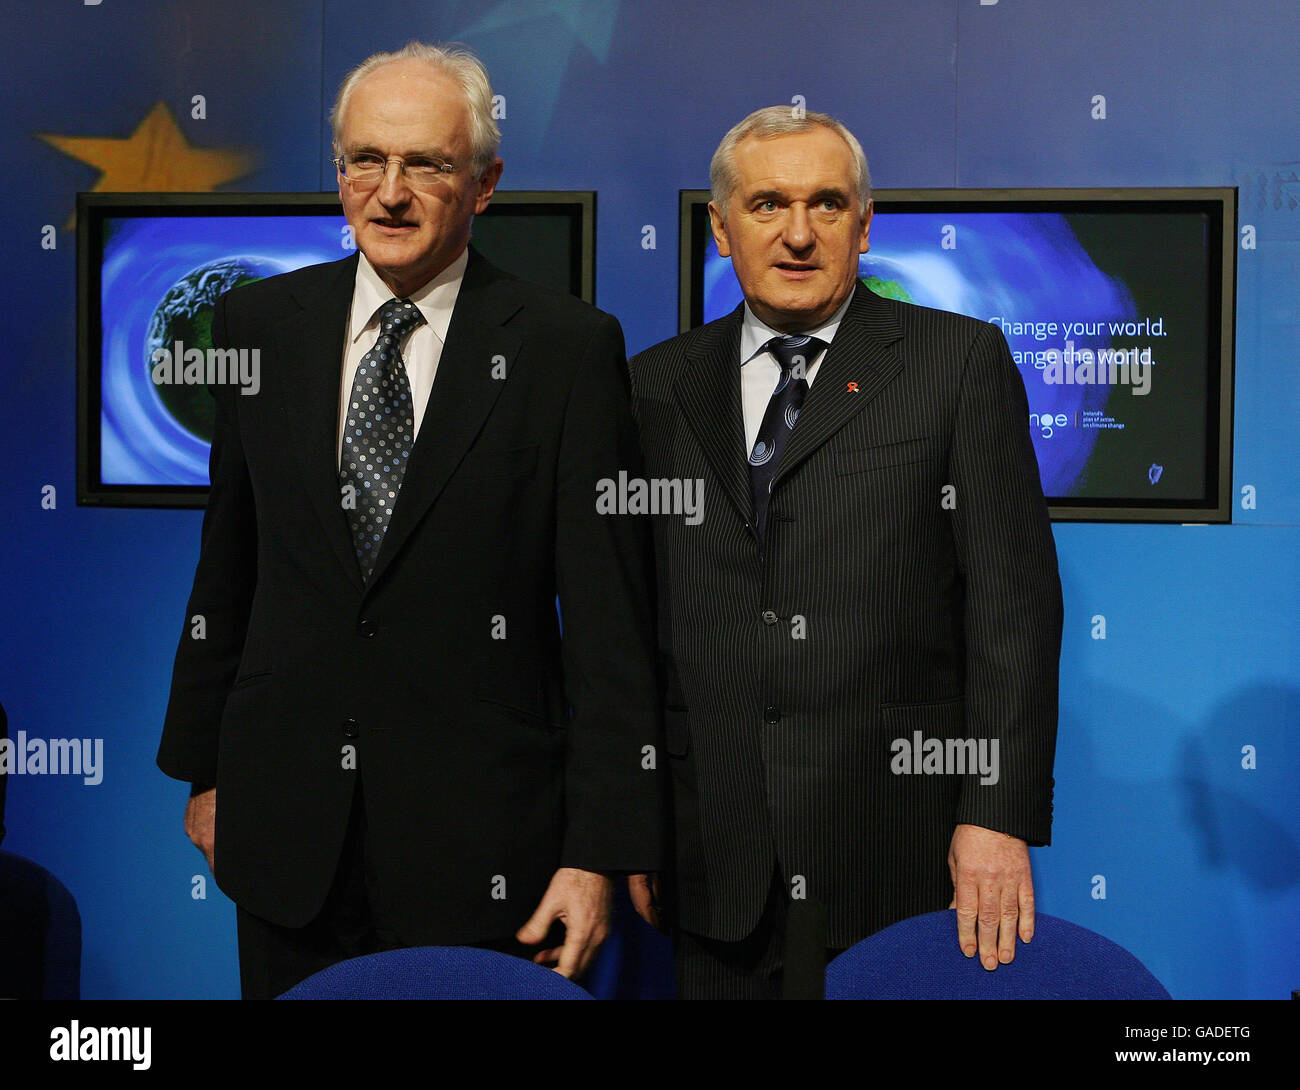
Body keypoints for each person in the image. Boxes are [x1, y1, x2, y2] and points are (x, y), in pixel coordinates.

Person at [157, 41, 661, 999]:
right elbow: (227, 566)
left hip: (486, 848)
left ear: (483, 183)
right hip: (286, 833)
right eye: (364, 161)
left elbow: (610, 633)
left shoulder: (564, 351)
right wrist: (206, 771)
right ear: (339, 172)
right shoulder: (263, 326)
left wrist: (597, 852)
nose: (389, 193)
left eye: (426, 164)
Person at [626, 107, 1063, 999]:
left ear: (864, 225)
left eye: (826, 205)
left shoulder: (957, 364)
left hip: (894, 854)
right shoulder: (654, 385)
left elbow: (1014, 611)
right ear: (720, 226)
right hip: (712, 863)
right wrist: (630, 821)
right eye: (766, 205)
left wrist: (996, 817)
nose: (797, 234)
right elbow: (632, 627)